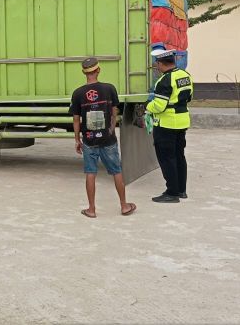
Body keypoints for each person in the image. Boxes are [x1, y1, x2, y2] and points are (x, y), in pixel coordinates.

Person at [70, 57, 136, 218]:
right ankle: (124, 205)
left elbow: (76, 119)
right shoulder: (109, 89)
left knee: (90, 172)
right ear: (98, 70)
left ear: (83, 72)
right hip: (108, 138)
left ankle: (91, 209)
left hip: (89, 139)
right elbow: (114, 112)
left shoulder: (78, 93)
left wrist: (77, 139)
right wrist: (111, 129)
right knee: (116, 171)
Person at [146, 49, 193, 203]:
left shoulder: (165, 80)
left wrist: (147, 106)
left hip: (167, 124)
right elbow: (190, 97)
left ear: (160, 63)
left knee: (167, 159)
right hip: (182, 121)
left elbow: (159, 106)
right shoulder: (185, 76)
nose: (156, 67)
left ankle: (171, 193)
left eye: (157, 64)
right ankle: (181, 190)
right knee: (179, 156)